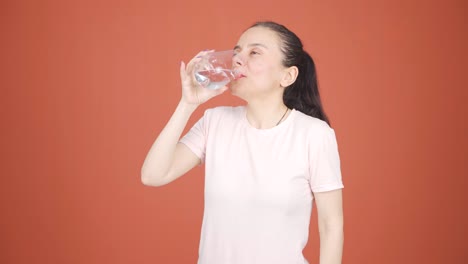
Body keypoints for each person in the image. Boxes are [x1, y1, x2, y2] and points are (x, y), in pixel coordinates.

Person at [141, 21, 344, 264]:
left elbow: (331, 225)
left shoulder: (314, 134)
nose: (238, 59)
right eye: (237, 52)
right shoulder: (215, 121)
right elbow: (153, 175)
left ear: (287, 75)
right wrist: (187, 104)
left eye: (254, 52)